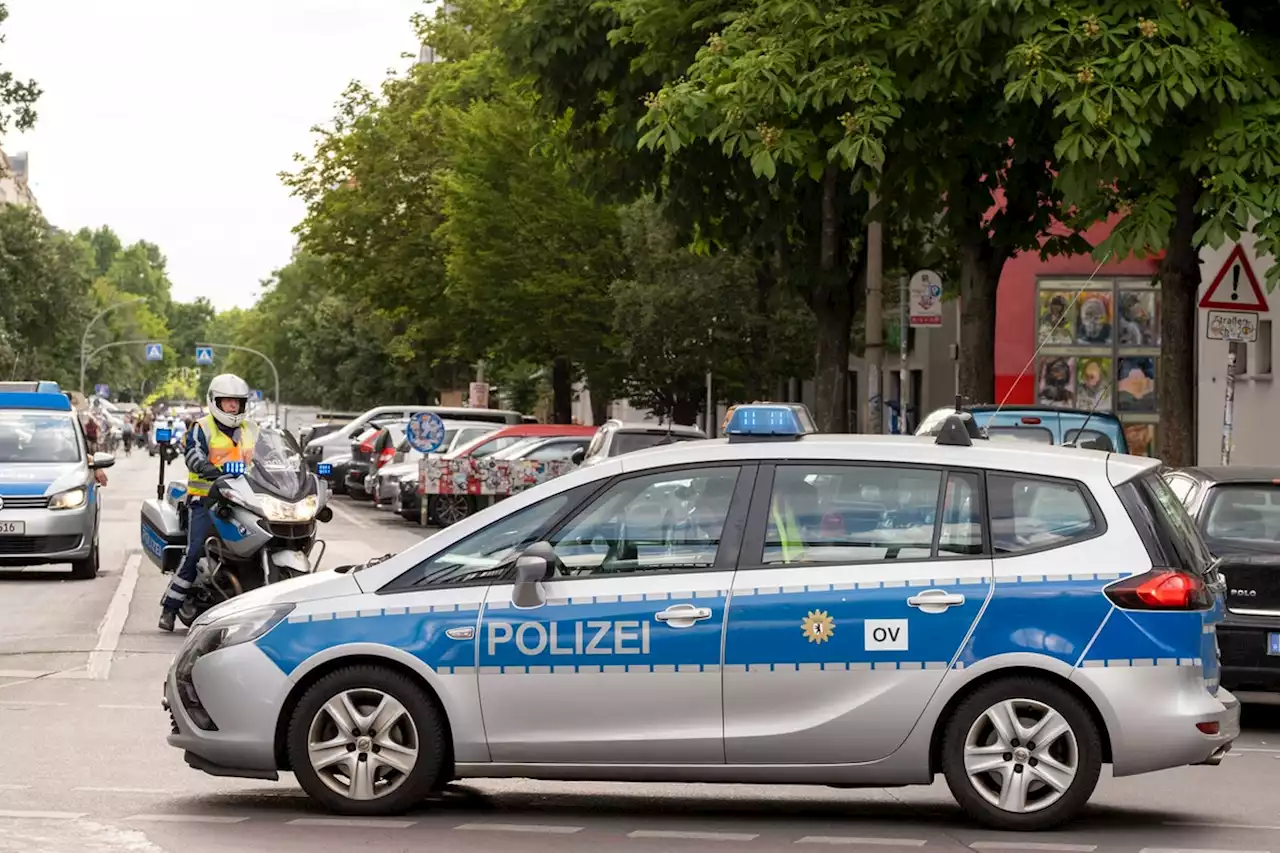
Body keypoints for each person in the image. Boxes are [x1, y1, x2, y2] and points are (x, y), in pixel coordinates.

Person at [158, 374, 257, 632]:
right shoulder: (201, 428)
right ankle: (170, 607)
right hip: (205, 500)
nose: (233, 407)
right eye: (227, 402)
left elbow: (268, 456)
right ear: (216, 402)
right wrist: (206, 467)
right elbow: (192, 455)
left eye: (237, 403)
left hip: (243, 499)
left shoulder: (251, 429)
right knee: (195, 550)